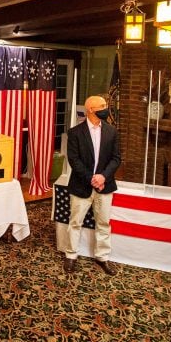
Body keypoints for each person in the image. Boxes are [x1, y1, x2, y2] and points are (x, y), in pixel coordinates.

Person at [63, 95, 122, 276]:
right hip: (81, 186)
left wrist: (103, 177)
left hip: (105, 186)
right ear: (90, 109)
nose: (106, 108)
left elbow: (116, 158)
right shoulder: (75, 133)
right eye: (102, 106)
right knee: (75, 222)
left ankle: (102, 257)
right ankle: (71, 255)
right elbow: (74, 160)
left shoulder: (112, 131)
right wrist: (92, 178)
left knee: (103, 223)